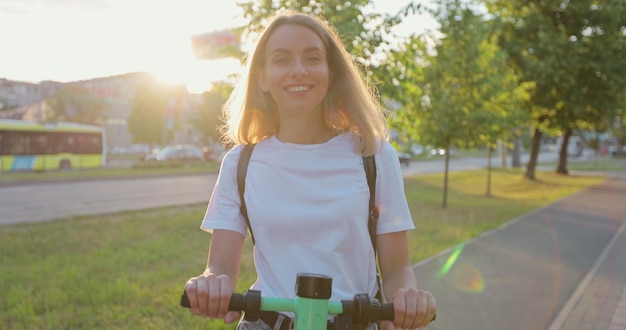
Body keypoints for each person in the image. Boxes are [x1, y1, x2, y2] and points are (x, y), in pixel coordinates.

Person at [184, 9, 437, 330]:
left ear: (331, 73)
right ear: (261, 76)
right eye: (282, 59)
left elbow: (398, 268)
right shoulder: (240, 163)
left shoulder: (372, 155)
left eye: (313, 58)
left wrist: (407, 296)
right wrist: (210, 283)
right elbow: (219, 267)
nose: (298, 70)